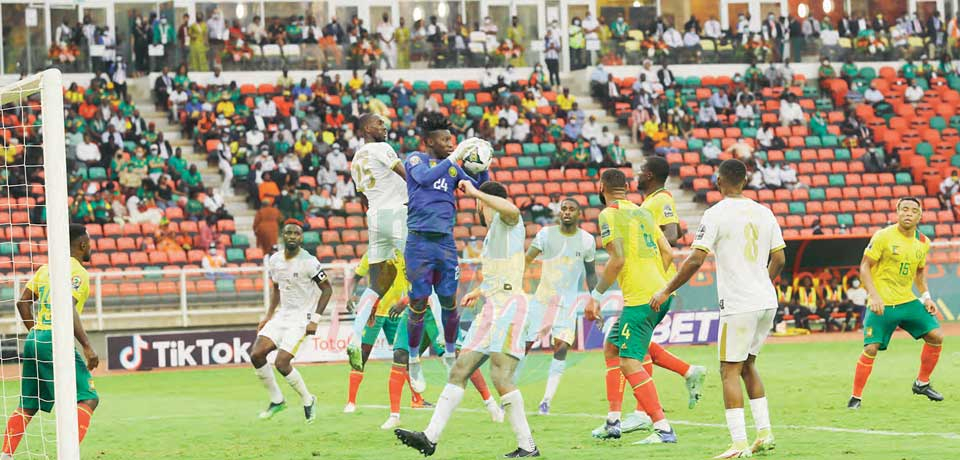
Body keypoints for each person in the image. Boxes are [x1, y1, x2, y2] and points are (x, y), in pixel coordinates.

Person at [651, 159, 785, 458]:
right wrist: (761, 282)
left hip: (739, 304)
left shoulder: (716, 213)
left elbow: (696, 259)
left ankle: (738, 444)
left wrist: (666, 289)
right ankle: (764, 434)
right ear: (745, 182)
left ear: (718, 180)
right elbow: (779, 259)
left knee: (729, 370)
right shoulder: (764, 212)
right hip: (766, 300)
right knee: (748, 366)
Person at [395, 180, 539, 458]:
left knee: (500, 376)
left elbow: (513, 211)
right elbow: (503, 272)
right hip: (492, 307)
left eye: (477, 202)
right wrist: (480, 290)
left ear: (480, 202)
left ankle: (527, 445)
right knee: (460, 369)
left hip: (510, 306)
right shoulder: (492, 235)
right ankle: (430, 436)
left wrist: (475, 191)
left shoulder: (506, 221)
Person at [583, 169, 678, 445]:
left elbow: (617, 260)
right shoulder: (644, 212)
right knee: (612, 347)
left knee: (629, 361)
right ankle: (613, 421)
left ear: (601, 187)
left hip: (641, 298)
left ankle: (663, 428)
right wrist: (658, 282)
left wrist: (596, 296)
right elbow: (669, 252)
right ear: (626, 187)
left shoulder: (608, 214)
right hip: (660, 291)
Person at [402, 113, 489, 392]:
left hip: (445, 244)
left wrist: (483, 164)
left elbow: (479, 188)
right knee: (418, 303)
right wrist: (455, 160)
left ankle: (450, 353)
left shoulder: (452, 169)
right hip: (418, 243)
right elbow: (425, 179)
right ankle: (414, 358)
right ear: (429, 142)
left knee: (450, 301)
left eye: (452, 140)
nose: (451, 145)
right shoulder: (416, 159)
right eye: (444, 140)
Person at [1, 224, 100, 458]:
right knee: (88, 397)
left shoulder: (47, 269)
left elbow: (22, 302)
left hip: (35, 338)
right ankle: (68, 454)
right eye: (89, 242)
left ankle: (5, 455)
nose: (91, 247)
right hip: (56, 340)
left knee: (29, 403)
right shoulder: (77, 273)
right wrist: (87, 346)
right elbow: (68, 305)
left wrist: (36, 332)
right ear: (82, 244)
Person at [848, 197, 944, 409]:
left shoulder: (923, 242)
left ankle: (922, 383)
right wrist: (873, 296)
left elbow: (919, 272)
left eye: (913, 210)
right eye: (904, 209)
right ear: (897, 212)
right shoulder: (883, 236)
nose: (908, 213)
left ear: (920, 215)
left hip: (907, 301)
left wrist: (926, 297)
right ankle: (856, 397)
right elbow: (865, 266)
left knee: (936, 336)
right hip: (882, 303)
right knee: (871, 348)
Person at [344, 114, 410, 370]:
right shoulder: (381, 148)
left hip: (375, 216)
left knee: (376, 283)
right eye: (380, 123)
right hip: (396, 213)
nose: (385, 127)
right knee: (422, 269)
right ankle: (443, 339)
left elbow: (362, 196)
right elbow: (404, 174)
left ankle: (353, 337)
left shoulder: (356, 159)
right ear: (367, 128)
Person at [250, 220, 333, 423]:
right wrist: (268, 315)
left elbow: (327, 289)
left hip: (301, 319)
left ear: (301, 237)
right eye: (288, 233)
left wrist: (315, 319)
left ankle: (308, 399)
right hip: (282, 316)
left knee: (281, 362)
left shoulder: (310, 262)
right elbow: (277, 288)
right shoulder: (275, 260)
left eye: (296, 233)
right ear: (283, 236)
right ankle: (277, 400)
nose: (292, 236)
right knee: (257, 354)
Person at [522, 198, 597, 415]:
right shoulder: (545, 234)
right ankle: (509, 391)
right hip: (543, 300)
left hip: (568, 303)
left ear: (579, 214)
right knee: (525, 345)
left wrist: (595, 299)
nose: (567, 212)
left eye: (572, 209)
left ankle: (546, 400)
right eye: (564, 209)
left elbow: (591, 274)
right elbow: (527, 260)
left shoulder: (586, 240)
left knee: (562, 347)